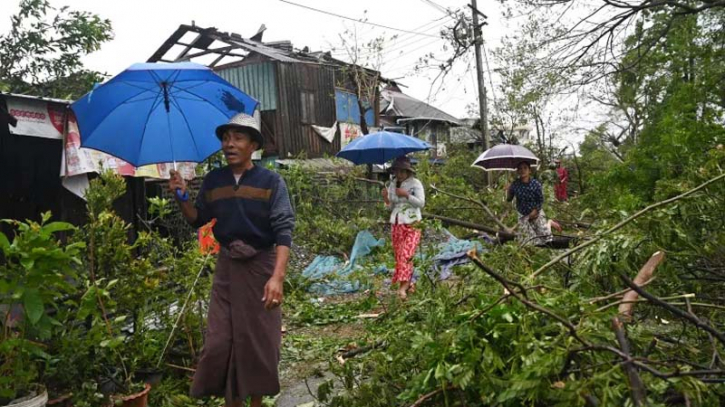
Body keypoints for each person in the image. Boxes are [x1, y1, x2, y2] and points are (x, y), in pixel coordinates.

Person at [168, 111, 295, 407]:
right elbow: (198, 220)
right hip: (227, 269)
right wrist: (182, 197)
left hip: (261, 268)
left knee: (259, 342)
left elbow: (283, 231)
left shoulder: (271, 182)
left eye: (238, 137)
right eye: (226, 138)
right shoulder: (214, 181)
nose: (229, 143)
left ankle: (255, 403)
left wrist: (277, 278)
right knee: (220, 341)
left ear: (253, 145)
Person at [381, 156, 425, 300]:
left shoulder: (415, 183)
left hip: (412, 222)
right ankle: (409, 283)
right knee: (400, 256)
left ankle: (402, 289)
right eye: (396, 171)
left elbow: (421, 203)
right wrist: (386, 199)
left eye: (401, 171)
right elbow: (392, 207)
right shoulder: (393, 184)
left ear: (407, 171)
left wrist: (406, 195)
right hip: (397, 223)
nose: (398, 174)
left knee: (407, 255)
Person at [507, 161, 552, 246]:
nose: (522, 170)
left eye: (525, 168)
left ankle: (549, 223)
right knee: (527, 241)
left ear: (529, 170)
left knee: (546, 238)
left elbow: (540, 200)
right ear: (517, 171)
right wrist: (508, 190)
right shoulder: (515, 184)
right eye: (520, 168)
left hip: (536, 213)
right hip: (523, 215)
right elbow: (509, 199)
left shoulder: (536, 184)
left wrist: (535, 211)